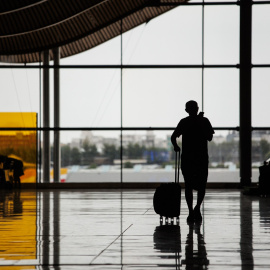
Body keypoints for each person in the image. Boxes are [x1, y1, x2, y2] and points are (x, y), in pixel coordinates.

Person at [171, 100, 214, 224]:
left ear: (186, 110)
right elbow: (209, 137)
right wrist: (200, 124)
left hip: (188, 158)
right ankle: (197, 208)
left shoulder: (184, 122)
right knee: (202, 185)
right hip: (201, 158)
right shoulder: (204, 121)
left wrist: (176, 146)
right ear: (197, 108)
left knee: (188, 185)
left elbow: (173, 137)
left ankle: (191, 211)